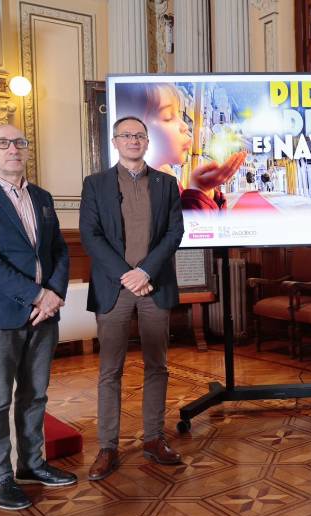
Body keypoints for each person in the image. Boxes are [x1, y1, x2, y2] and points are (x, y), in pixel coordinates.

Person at [0, 124, 76, 510]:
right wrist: (37, 294)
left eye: (19, 142)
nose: (13, 149)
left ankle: (32, 464)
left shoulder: (42, 197)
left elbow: (58, 251)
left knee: (35, 394)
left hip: (43, 315)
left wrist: (53, 295)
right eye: (2, 143)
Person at [80, 116, 185, 480]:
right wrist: (127, 274)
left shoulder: (167, 183)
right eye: (126, 135)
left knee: (158, 365)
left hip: (154, 285)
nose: (133, 140)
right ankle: (107, 446)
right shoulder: (95, 184)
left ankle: (154, 439)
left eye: (139, 135)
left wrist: (146, 272)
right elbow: (90, 235)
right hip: (115, 287)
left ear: (147, 142)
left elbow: (174, 232)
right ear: (115, 141)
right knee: (110, 369)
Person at [114, 82, 245, 210]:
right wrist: (199, 192)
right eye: (168, 117)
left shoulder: (167, 179)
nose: (185, 126)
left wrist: (204, 192)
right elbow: (186, 223)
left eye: (178, 114)